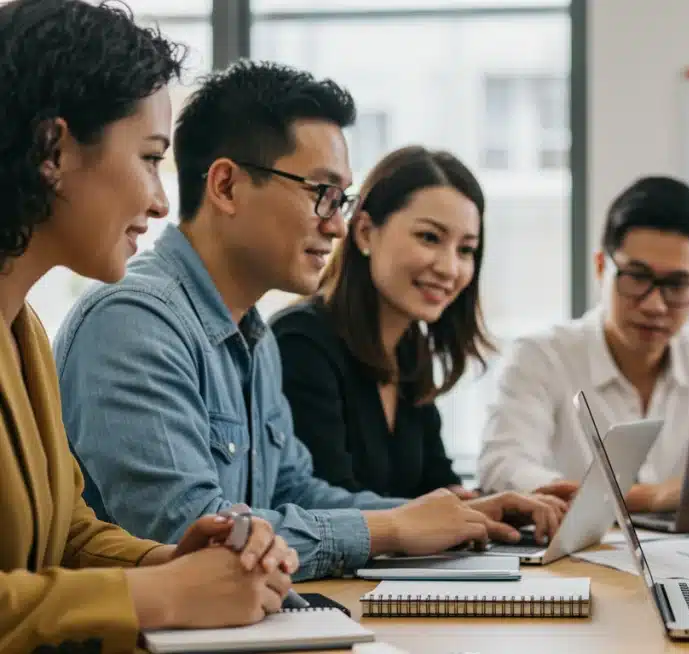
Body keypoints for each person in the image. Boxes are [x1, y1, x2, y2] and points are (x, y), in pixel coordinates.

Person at [54, 60, 564, 584]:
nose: (338, 224)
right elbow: (188, 534)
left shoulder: (253, 336)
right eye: (320, 192)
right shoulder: (134, 322)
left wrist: (458, 516)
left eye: (340, 199)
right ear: (226, 186)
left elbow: (293, 491)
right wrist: (388, 529)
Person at [0, 2, 297, 650]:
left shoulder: (23, 331)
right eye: (149, 157)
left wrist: (166, 563)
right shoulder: (123, 319)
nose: (161, 201)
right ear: (53, 149)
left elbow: (67, 532)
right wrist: (154, 595)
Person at [477, 175, 689, 512]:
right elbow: (503, 468)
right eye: (636, 277)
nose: (654, 305)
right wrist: (649, 498)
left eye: (677, 285)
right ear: (599, 268)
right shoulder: (541, 356)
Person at [270, 146, 487, 501]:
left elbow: (437, 487)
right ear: (366, 233)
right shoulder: (300, 343)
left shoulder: (409, 349)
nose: (450, 268)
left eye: (466, 250)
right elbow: (322, 503)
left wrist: (501, 507)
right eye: (429, 238)